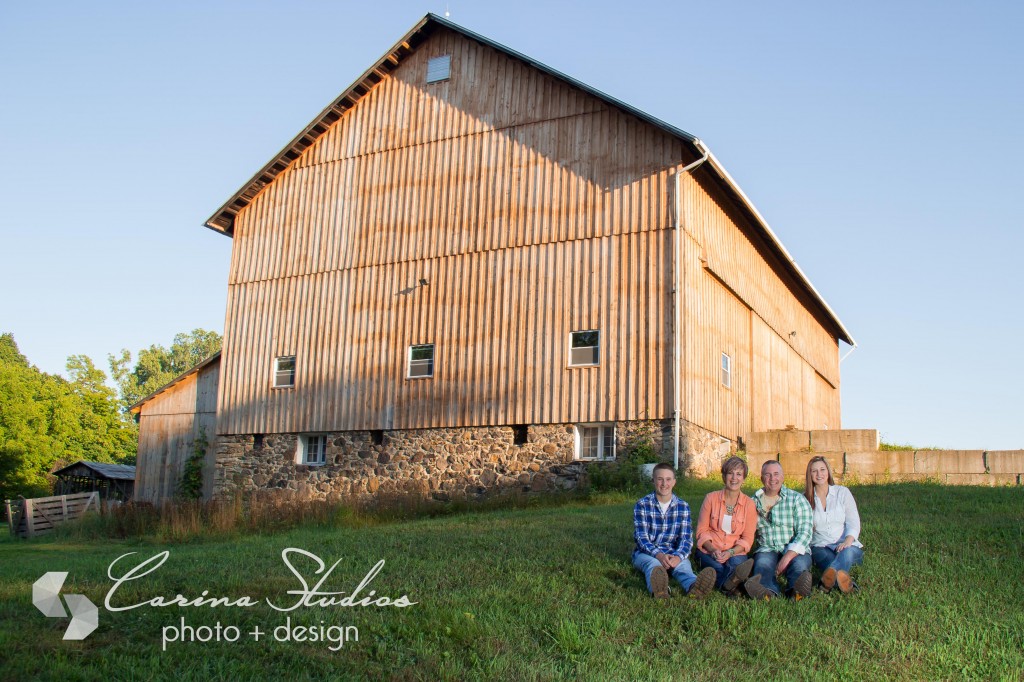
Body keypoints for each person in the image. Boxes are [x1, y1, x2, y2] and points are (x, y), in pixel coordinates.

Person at [633, 463, 717, 599]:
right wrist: (659, 555)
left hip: (674, 553)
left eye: (668, 479)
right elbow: (641, 539)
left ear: (674, 482)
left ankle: (694, 587)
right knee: (653, 566)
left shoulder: (683, 506)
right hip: (647, 554)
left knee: (684, 567)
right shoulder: (642, 504)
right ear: (653, 481)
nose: (664, 483)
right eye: (660, 479)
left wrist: (678, 556)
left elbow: (686, 539)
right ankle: (660, 591)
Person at [745, 460, 814, 600]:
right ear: (761, 478)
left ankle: (797, 593)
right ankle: (767, 593)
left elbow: (805, 531)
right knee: (763, 566)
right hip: (767, 548)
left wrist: (787, 557)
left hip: (794, 549)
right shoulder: (752, 502)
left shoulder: (796, 499)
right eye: (768, 475)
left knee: (799, 566)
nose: (772, 479)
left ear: (782, 477)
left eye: (776, 474)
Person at [694, 456, 757, 595]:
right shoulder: (710, 498)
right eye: (730, 473)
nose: (734, 478)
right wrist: (712, 550)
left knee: (735, 564)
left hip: (735, 551)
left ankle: (728, 586)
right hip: (709, 550)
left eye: (739, 474)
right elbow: (701, 531)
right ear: (724, 476)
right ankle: (737, 586)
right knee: (716, 567)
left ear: (744, 478)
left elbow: (747, 538)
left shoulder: (749, 504)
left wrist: (731, 552)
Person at [805, 456, 864, 593]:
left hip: (846, 544)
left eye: (822, 469)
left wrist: (848, 541)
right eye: (814, 471)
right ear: (810, 475)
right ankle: (847, 585)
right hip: (821, 545)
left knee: (846, 554)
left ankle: (826, 584)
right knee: (830, 564)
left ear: (828, 471)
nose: (819, 474)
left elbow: (853, 520)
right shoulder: (805, 499)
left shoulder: (842, 492)